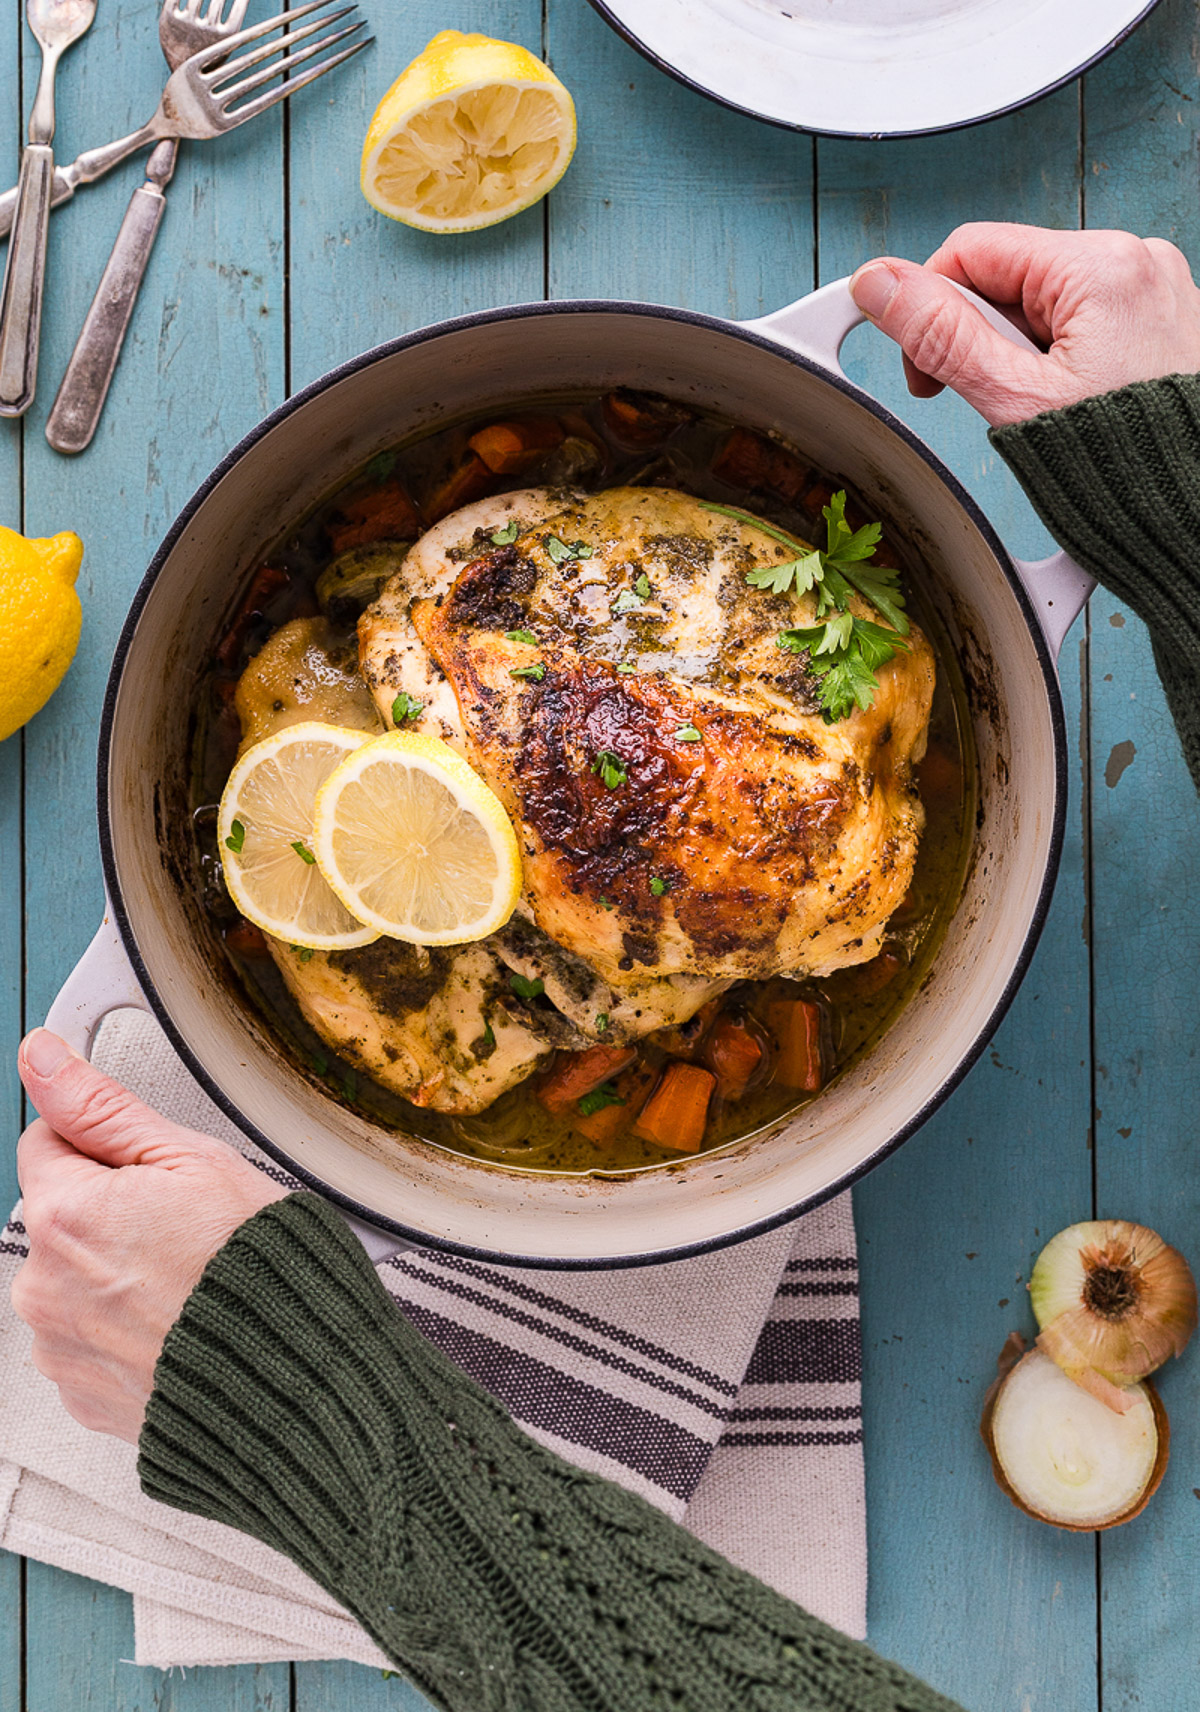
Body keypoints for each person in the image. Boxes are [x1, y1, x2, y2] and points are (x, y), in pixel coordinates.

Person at [11, 222, 1200, 1712]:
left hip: (672, 816)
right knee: (483, 1006)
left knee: (517, 1004)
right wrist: (1182, 519)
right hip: (526, 766)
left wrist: (314, 1410)